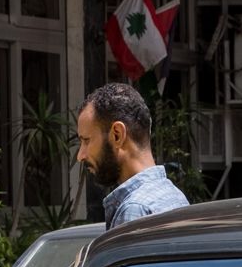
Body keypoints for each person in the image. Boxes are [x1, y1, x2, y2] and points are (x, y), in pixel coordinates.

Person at [76, 82, 187, 229]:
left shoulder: (134, 209)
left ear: (117, 135)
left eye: (86, 140)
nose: (80, 155)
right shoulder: (175, 195)